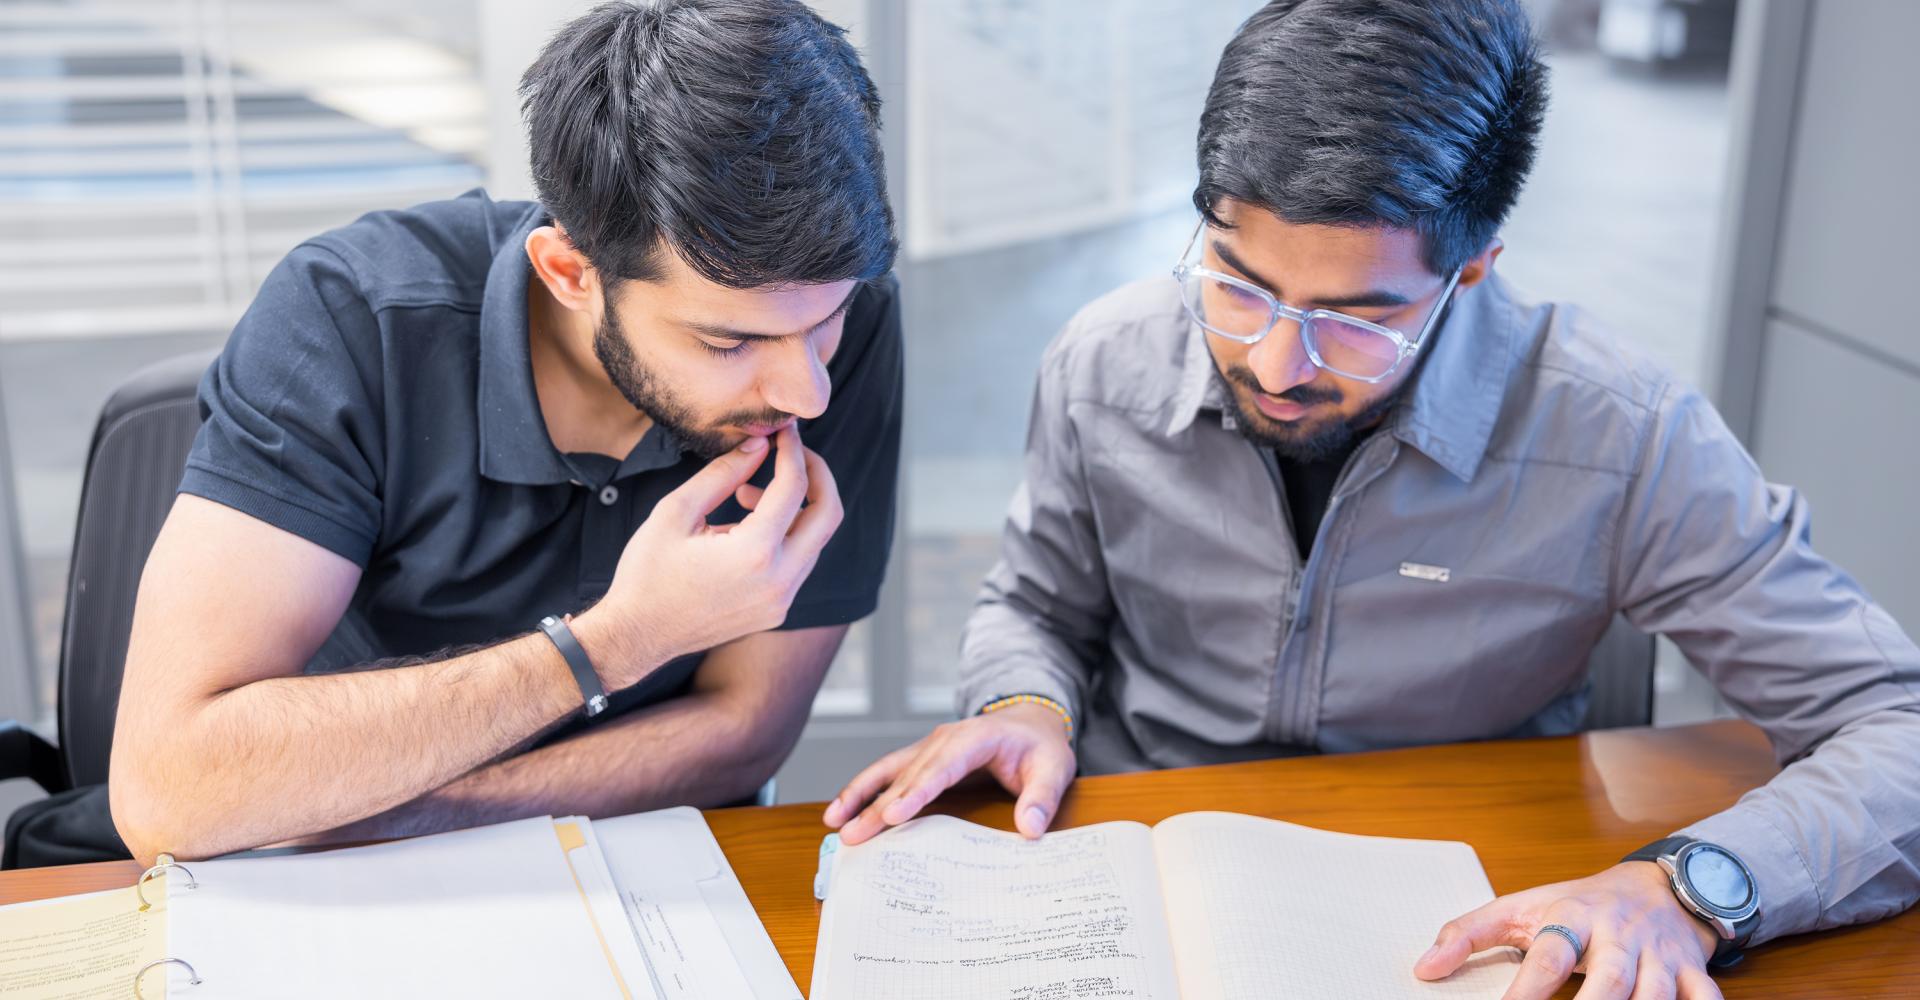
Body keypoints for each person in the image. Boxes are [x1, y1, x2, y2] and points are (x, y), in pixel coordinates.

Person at [825, 1, 1920, 997]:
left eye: (1355, 316)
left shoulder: (1621, 433)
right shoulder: (1104, 360)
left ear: (1474, 268)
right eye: (1237, 284)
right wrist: (1025, 703)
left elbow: (1897, 729)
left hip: (1471, 916)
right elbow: (1035, 606)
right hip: (1133, 872)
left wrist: (1690, 887)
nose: (1278, 361)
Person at [96, 0, 900, 866]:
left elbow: (745, 733)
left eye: (829, 320)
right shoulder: (349, 321)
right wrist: (620, 640)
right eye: (725, 341)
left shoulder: (828, 313)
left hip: (607, 867)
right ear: (569, 273)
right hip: (324, 889)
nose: (807, 391)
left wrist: (393, 817)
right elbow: (170, 794)